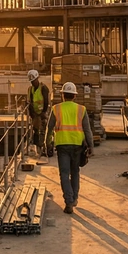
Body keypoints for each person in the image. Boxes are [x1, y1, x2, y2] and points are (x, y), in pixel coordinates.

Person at [45, 81, 93, 215]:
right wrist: (91, 146)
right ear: (74, 96)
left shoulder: (56, 109)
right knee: (75, 172)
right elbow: (87, 130)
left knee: (64, 174)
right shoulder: (81, 109)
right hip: (77, 145)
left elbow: (49, 129)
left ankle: (69, 202)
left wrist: (47, 143)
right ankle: (74, 198)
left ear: (62, 95)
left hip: (62, 146)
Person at [26, 70, 51, 157]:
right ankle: (38, 149)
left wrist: (43, 113)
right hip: (35, 114)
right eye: (31, 81)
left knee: (45, 131)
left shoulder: (43, 88)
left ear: (37, 79)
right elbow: (29, 102)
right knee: (36, 131)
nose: (33, 83)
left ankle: (48, 148)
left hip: (43, 113)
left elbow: (46, 102)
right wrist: (32, 114)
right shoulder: (30, 89)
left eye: (34, 81)